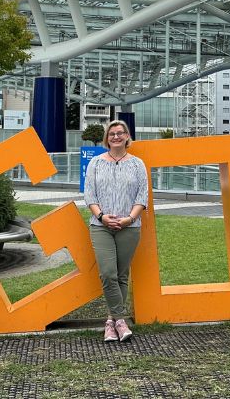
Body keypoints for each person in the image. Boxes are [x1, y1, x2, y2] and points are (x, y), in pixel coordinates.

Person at [84, 120, 148, 342]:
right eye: (112, 134)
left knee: (122, 275)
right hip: (101, 226)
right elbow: (89, 195)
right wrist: (102, 216)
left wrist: (130, 219)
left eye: (120, 133)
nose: (116, 137)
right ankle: (121, 320)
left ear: (127, 136)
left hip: (129, 227)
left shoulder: (138, 164)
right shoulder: (95, 163)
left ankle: (111, 324)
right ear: (107, 138)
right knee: (108, 273)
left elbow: (142, 196)